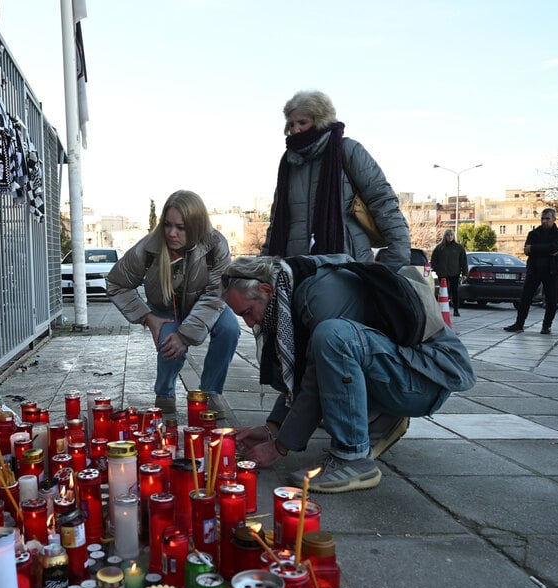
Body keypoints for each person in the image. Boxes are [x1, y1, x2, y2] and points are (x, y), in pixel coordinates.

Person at [223, 254, 476, 493]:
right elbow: (301, 374)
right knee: (322, 346)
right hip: (409, 371)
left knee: (332, 337)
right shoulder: (291, 286)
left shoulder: (317, 294)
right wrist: (273, 427)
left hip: (427, 381)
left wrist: (279, 446)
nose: (249, 323)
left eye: (247, 312)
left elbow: (316, 380)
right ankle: (384, 418)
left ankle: (352, 457)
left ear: (266, 290)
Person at [106, 190, 240, 418]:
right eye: (167, 225)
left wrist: (185, 336)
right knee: (169, 341)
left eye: (181, 227)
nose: (171, 233)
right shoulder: (149, 246)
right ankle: (165, 392)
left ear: (196, 225)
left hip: (207, 301)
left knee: (230, 329)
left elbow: (215, 295)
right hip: (165, 308)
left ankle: (210, 393)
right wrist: (148, 317)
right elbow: (116, 283)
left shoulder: (216, 245)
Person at [262, 90, 412, 271]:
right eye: (291, 124)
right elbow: (276, 221)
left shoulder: (348, 150)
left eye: (302, 122)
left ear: (321, 121)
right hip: (297, 269)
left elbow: (382, 201)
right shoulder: (289, 163)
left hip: (349, 266)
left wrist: (397, 255)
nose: (295, 129)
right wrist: (264, 264)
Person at [504, 208, 558, 334]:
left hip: (551, 270)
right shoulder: (534, 233)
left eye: (547, 218)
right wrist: (544, 249)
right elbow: (527, 250)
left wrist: (534, 248)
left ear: (554, 219)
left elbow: (554, 248)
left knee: (551, 300)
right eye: (542, 218)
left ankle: (546, 326)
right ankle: (519, 324)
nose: (544, 221)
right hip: (534, 270)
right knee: (525, 298)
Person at [430, 229, 468, 316]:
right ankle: (442, 309)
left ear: (453, 236)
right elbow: (433, 260)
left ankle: (456, 310)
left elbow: (463, 261)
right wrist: (436, 269)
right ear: (445, 236)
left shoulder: (459, 248)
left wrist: (464, 273)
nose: (450, 237)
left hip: (455, 273)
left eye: (451, 235)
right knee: (443, 291)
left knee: (455, 291)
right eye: (448, 235)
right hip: (442, 273)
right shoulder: (439, 248)